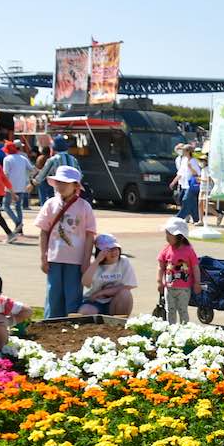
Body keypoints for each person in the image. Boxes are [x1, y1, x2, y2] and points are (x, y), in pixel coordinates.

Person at [35, 165, 96, 318]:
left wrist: (86, 259)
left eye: (65, 183)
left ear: (76, 185)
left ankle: (71, 326)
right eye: (58, 182)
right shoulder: (50, 204)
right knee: (53, 295)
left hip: (76, 260)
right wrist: (43, 256)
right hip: (54, 258)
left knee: (73, 296)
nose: (60, 186)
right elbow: (43, 231)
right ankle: (50, 325)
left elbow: (90, 235)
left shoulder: (84, 206)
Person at [80, 234, 138, 316]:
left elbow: (128, 286)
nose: (114, 252)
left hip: (114, 301)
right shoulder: (94, 264)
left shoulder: (124, 261)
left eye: (116, 249)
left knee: (126, 294)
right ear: (99, 252)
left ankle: (120, 324)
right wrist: (97, 261)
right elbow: (85, 283)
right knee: (85, 311)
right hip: (95, 302)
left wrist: (101, 293)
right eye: (109, 250)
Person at [155, 219, 200, 324]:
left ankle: (184, 330)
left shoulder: (188, 250)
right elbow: (161, 267)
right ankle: (172, 330)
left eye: (169, 234)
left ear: (179, 236)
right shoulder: (166, 249)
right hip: (169, 288)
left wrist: (197, 282)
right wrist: (159, 281)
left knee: (182, 310)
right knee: (169, 310)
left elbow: (195, 267)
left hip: (184, 289)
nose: (166, 237)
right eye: (166, 233)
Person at [33, 135, 78, 205]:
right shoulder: (73, 159)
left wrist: (33, 182)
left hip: (60, 191)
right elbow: (79, 175)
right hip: (73, 192)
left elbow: (43, 174)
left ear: (54, 148)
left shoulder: (53, 159)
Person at [1, 141, 33, 235]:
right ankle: (20, 230)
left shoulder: (7, 159)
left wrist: (4, 185)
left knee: (6, 206)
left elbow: (5, 174)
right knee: (18, 207)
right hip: (21, 186)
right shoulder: (23, 158)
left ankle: (18, 223)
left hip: (10, 187)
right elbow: (31, 169)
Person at [171, 143, 203, 224]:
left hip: (191, 185)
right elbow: (180, 172)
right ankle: (196, 218)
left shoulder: (193, 161)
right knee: (189, 202)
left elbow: (198, 173)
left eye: (184, 150)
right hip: (184, 184)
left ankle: (179, 217)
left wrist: (191, 168)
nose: (183, 152)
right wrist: (173, 182)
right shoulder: (184, 160)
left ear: (188, 151)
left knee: (185, 200)